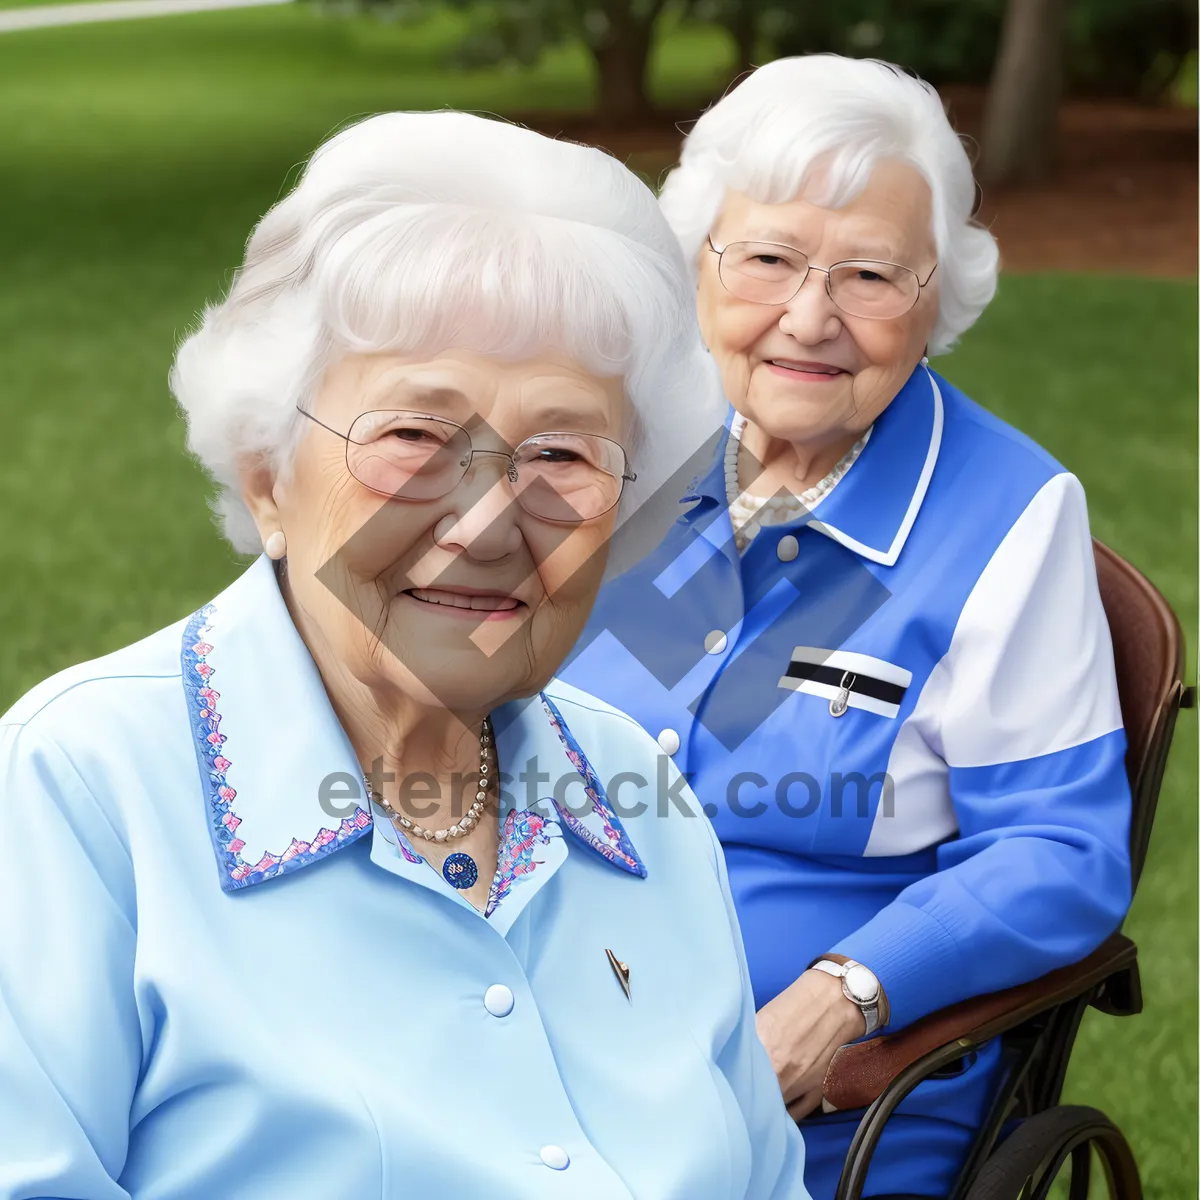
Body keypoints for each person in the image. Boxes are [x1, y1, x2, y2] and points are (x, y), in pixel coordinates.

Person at [0, 111, 810, 1199]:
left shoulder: (638, 795)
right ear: (267, 474)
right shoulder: (76, 796)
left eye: (561, 453)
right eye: (415, 438)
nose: (487, 520)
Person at [562, 55, 1133, 1199]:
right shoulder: (633, 451)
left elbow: (1058, 854)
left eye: (869, 274)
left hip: (816, 1103)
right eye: (767, 259)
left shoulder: (1006, 522)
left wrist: (844, 997)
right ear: (699, 268)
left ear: (938, 295)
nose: (809, 318)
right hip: (551, 1020)